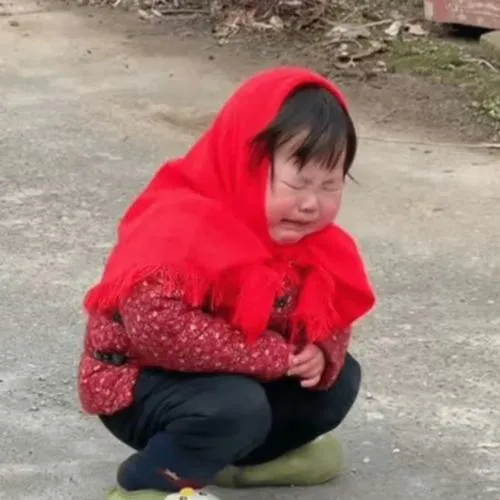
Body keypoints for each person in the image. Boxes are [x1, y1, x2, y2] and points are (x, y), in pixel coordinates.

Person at [78, 66, 376, 500]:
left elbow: (331, 312)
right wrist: (273, 356)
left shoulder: (316, 245)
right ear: (244, 165)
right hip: (144, 381)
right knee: (235, 407)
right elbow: (160, 331)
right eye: (297, 184)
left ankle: (243, 464)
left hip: (237, 376)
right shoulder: (179, 227)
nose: (311, 204)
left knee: (339, 380)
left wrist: (319, 353)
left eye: (330, 185)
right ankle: (148, 483)